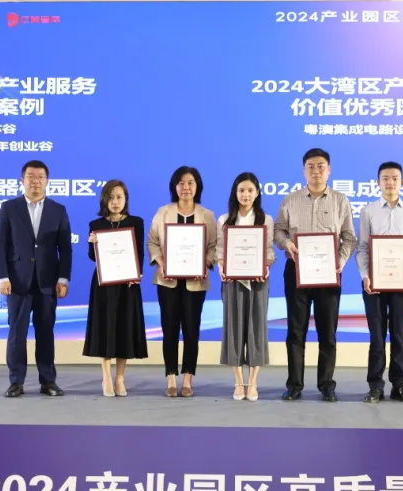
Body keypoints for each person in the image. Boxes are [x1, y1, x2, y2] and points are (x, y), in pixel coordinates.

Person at [274, 148, 356, 402]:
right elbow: (278, 231)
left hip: (329, 274)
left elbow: (349, 238)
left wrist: (341, 261)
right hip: (296, 272)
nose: (316, 171)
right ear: (304, 170)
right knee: (295, 331)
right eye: (311, 166)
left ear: (329, 170)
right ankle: (294, 385)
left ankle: (326, 385)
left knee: (327, 332)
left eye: (321, 166)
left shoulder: (340, 201)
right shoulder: (291, 200)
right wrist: (287, 244)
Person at [0, 160, 73, 398]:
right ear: (22, 180)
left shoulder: (58, 210)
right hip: (17, 282)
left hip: (48, 283)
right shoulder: (9, 208)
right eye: (30, 176)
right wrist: (2, 277)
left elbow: (65, 248)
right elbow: (0, 246)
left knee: (45, 333)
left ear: (47, 181)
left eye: (40, 177)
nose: (35, 181)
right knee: (17, 334)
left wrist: (63, 279)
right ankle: (16, 382)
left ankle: (48, 381)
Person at [147, 166, 218, 398]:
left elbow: (214, 246)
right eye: (181, 183)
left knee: (191, 329)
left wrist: (205, 264)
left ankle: (187, 378)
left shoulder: (207, 215)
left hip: (195, 283)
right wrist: (161, 263)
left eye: (190, 183)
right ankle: (170, 377)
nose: (186, 187)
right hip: (167, 281)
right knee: (169, 329)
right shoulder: (163, 212)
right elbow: (152, 242)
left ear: (198, 187)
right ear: (174, 187)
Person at [355, 161, 403, 404]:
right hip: (374, 283)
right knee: (376, 336)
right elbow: (362, 248)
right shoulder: (368, 211)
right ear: (378, 182)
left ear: (402, 182)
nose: (390, 182)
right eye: (385, 178)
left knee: (399, 336)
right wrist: (366, 276)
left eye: (394, 178)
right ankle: (375, 386)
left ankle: (400, 385)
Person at [83, 180, 147, 397]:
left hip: (127, 283)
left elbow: (139, 252)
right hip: (104, 284)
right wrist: (92, 243)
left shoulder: (136, 222)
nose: (115, 201)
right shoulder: (96, 224)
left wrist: (137, 273)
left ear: (125, 199)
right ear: (104, 200)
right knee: (105, 328)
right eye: (110, 197)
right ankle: (106, 377)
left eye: (119, 197)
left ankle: (120, 378)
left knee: (124, 328)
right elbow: (93, 257)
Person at [216, 172, 276, 401]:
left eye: (250, 190)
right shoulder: (224, 220)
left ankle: (253, 383)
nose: (246, 195)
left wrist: (266, 266)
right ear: (235, 192)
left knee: (256, 329)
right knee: (234, 330)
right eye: (241, 190)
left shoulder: (265, 220)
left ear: (257, 193)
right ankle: (238, 382)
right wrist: (221, 266)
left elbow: (269, 251)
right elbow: (220, 250)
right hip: (232, 281)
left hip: (258, 282)